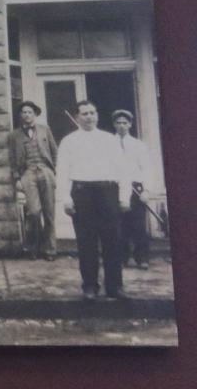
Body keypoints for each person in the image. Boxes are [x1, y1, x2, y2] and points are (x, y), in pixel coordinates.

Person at [57, 100, 132, 301]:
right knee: (86, 242)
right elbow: (62, 172)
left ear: (97, 115)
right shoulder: (69, 141)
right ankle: (89, 286)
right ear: (77, 117)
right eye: (84, 114)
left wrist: (124, 198)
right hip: (82, 193)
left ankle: (114, 287)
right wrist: (66, 198)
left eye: (92, 112)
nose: (89, 117)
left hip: (108, 192)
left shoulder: (110, 140)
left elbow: (124, 171)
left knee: (112, 242)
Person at [7, 100, 60, 261]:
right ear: (20, 115)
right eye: (24, 112)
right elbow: (12, 159)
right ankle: (33, 246)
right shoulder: (13, 135)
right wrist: (16, 178)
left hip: (46, 171)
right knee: (34, 212)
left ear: (35, 114)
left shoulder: (45, 130)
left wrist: (54, 171)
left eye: (30, 112)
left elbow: (55, 152)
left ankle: (50, 249)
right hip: (28, 174)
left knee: (49, 212)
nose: (27, 115)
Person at [112, 109, 156, 270]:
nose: (122, 126)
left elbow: (147, 169)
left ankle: (142, 258)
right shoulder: (108, 144)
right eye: (118, 123)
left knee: (138, 225)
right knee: (118, 225)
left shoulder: (139, 145)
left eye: (125, 123)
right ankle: (122, 257)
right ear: (114, 125)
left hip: (136, 187)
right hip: (115, 188)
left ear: (130, 124)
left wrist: (146, 190)